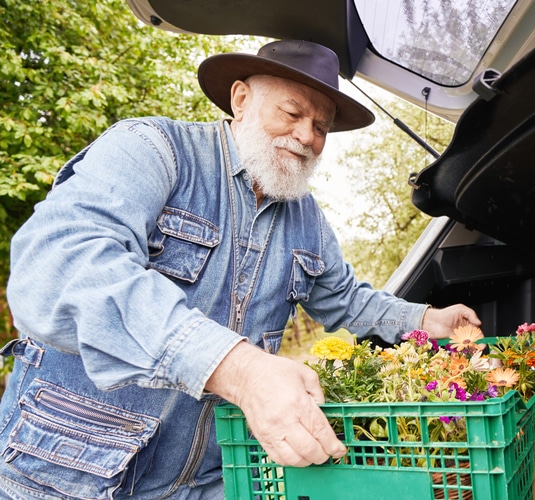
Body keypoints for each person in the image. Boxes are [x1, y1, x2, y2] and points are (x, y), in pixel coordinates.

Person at [0, 40, 480, 499]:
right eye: (292, 113)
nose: (307, 137)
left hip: (209, 481)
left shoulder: (307, 219)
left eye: (321, 127)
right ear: (242, 99)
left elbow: (348, 299)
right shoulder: (153, 149)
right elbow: (59, 267)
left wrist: (425, 320)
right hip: (66, 473)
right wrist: (240, 369)